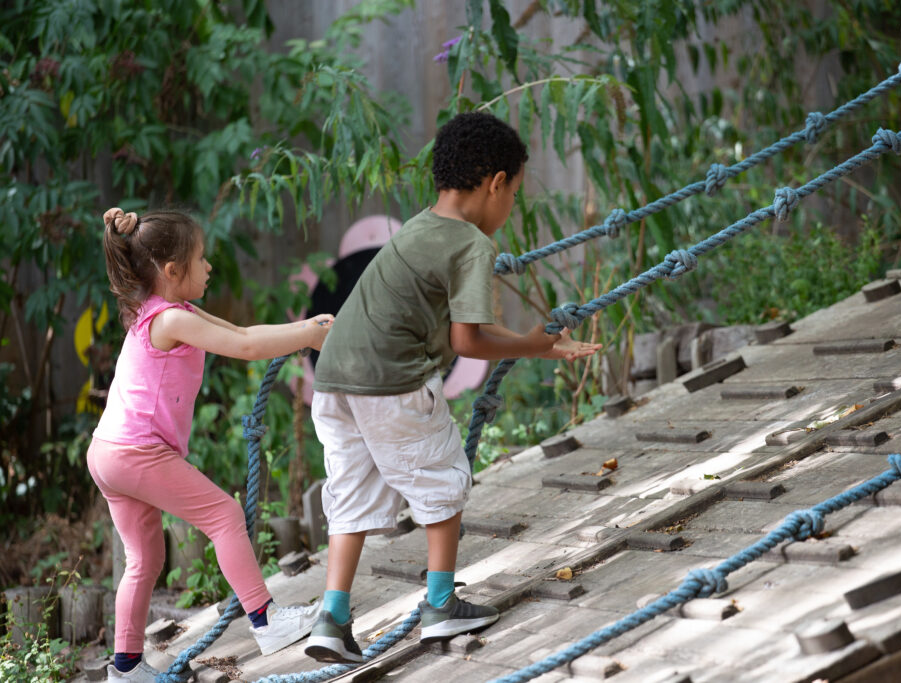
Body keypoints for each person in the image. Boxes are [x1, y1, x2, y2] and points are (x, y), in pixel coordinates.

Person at [304, 112, 602, 663]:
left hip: (335, 381)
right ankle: (440, 605)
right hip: (392, 384)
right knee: (441, 479)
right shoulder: (470, 244)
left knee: (351, 494)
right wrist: (535, 343)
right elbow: (468, 339)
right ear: (495, 184)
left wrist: (524, 340)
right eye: (513, 191)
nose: (510, 205)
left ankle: (332, 616)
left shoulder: (417, 227)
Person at [89, 208, 334, 682]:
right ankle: (266, 622)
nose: (209, 267)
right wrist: (309, 335)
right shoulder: (169, 321)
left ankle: (125, 668)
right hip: (137, 451)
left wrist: (306, 330)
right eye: (201, 259)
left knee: (144, 559)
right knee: (223, 515)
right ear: (171, 270)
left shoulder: (159, 311)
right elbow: (242, 349)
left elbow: (243, 334)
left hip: (109, 452)